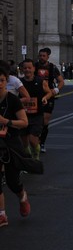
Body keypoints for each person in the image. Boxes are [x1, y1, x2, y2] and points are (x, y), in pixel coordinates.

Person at [0, 67, 31, 227]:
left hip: (11, 143)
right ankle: (2, 215)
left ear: (7, 81)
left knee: (12, 182)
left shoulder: (12, 100)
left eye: (1, 80)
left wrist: (6, 122)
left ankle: (22, 196)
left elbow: (24, 122)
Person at [19, 59, 52, 160]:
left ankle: (35, 157)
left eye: (29, 68)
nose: (27, 70)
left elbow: (49, 92)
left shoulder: (40, 81)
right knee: (24, 142)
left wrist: (45, 98)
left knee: (33, 140)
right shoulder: (19, 83)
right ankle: (28, 160)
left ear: (34, 69)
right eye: (25, 68)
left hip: (37, 115)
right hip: (22, 115)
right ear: (22, 70)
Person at [34, 47, 64, 153]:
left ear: (48, 57)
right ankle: (35, 140)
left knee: (45, 120)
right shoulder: (34, 66)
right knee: (36, 119)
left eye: (44, 56)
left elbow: (61, 81)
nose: (42, 57)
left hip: (49, 95)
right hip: (36, 95)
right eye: (40, 55)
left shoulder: (52, 67)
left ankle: (42, 143)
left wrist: (56, 89)